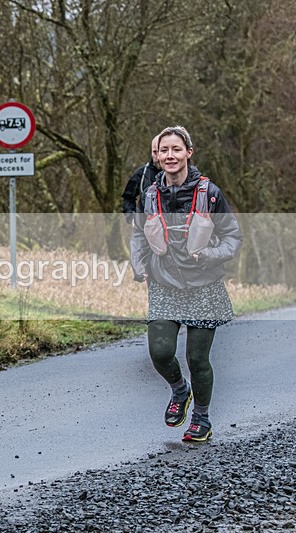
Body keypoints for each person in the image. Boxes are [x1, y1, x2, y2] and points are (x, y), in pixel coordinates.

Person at [130, 125, 241, 442]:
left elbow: (232, 237)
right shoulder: (150, 194)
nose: (170, 155)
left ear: (189, 153)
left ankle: (201, 419)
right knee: (161, 352)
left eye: (176, 149)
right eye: (164, 150)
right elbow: (139, 234)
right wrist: (139, 265)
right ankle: (180, 390)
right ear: (157, 156)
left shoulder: (210, 193)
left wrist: (210, 255)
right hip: (164, 285)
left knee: (197, 359)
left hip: (204, 287)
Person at [121, 134, 161, 223]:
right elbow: (127, 197)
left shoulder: (177, 174)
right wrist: (132, 218)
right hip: (144, 227)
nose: (158, 157)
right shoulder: (142, 173)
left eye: (161, 151)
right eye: (155, 152)